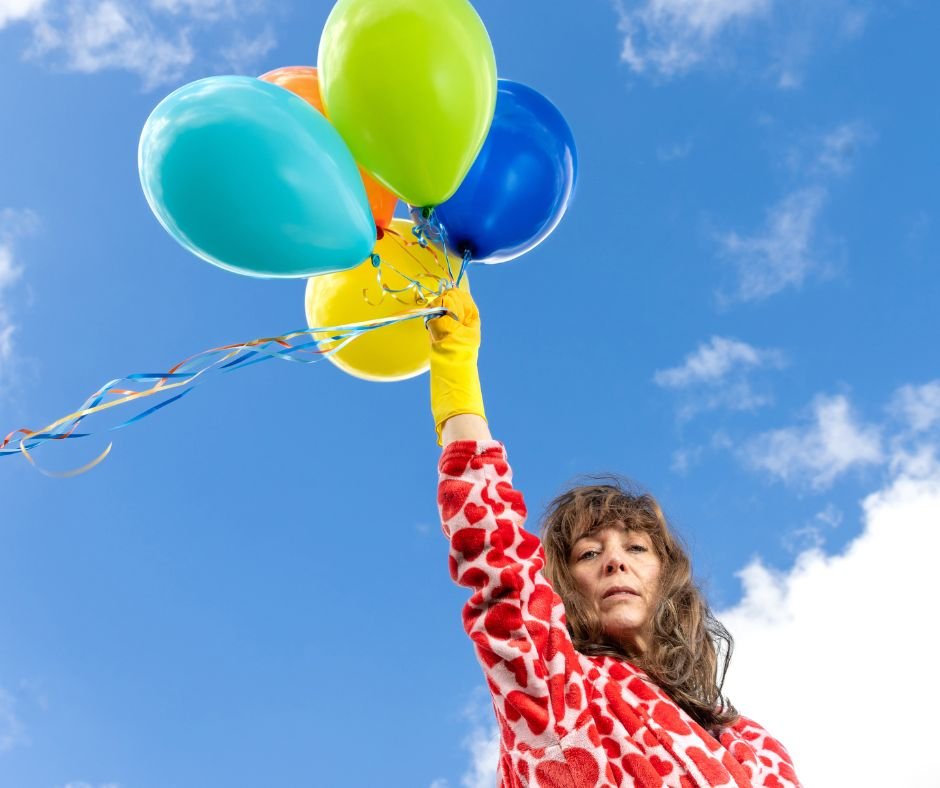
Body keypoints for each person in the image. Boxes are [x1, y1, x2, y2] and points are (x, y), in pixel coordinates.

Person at [427, 287, 801, 788]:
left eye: (637, 548)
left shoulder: (752, 745)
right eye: (588, 553)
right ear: (561, 585)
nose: (614, 562)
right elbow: (498, 560)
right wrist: (456, 370)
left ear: (667, 574)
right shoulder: (555, 691)